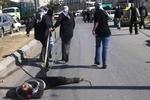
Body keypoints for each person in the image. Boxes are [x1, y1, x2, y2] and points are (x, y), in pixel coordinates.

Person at [6, 76, 83, 99]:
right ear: (28, 90)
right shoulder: (39, 87)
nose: (23, 85)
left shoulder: (21, 88)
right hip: (47, 82)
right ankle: (77, 79)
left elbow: (9, 93)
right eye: (24, 87)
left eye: (23, 86)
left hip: (38, 77)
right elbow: (39, 96)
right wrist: (29, 96)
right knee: (61, 80)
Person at [92, 2, 111, 69]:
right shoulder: (104, 12)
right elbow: (109, 19)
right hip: (107, 32)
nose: (94, 7)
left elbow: (96, 22)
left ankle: (97, 61)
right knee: (105, 49)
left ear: (97, 6)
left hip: (99, 33)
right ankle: (104, 64)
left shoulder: (97, 12)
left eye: (95, 6)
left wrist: (93, 30)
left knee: (98, 46)